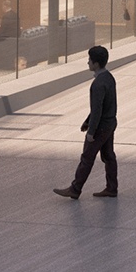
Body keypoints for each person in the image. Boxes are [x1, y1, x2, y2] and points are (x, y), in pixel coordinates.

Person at [53, 44, 118, 200]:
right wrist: (87, 122)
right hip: (110, 123)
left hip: (100, 127)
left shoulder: (98, 84)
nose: (88, 62)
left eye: (90, 60)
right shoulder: (109, 77)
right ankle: (112, 188)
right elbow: (102, 106)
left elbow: (97, 110)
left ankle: (75, 189)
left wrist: (91, 131)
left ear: (96, 63)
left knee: (87, 158)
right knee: (109, 156)